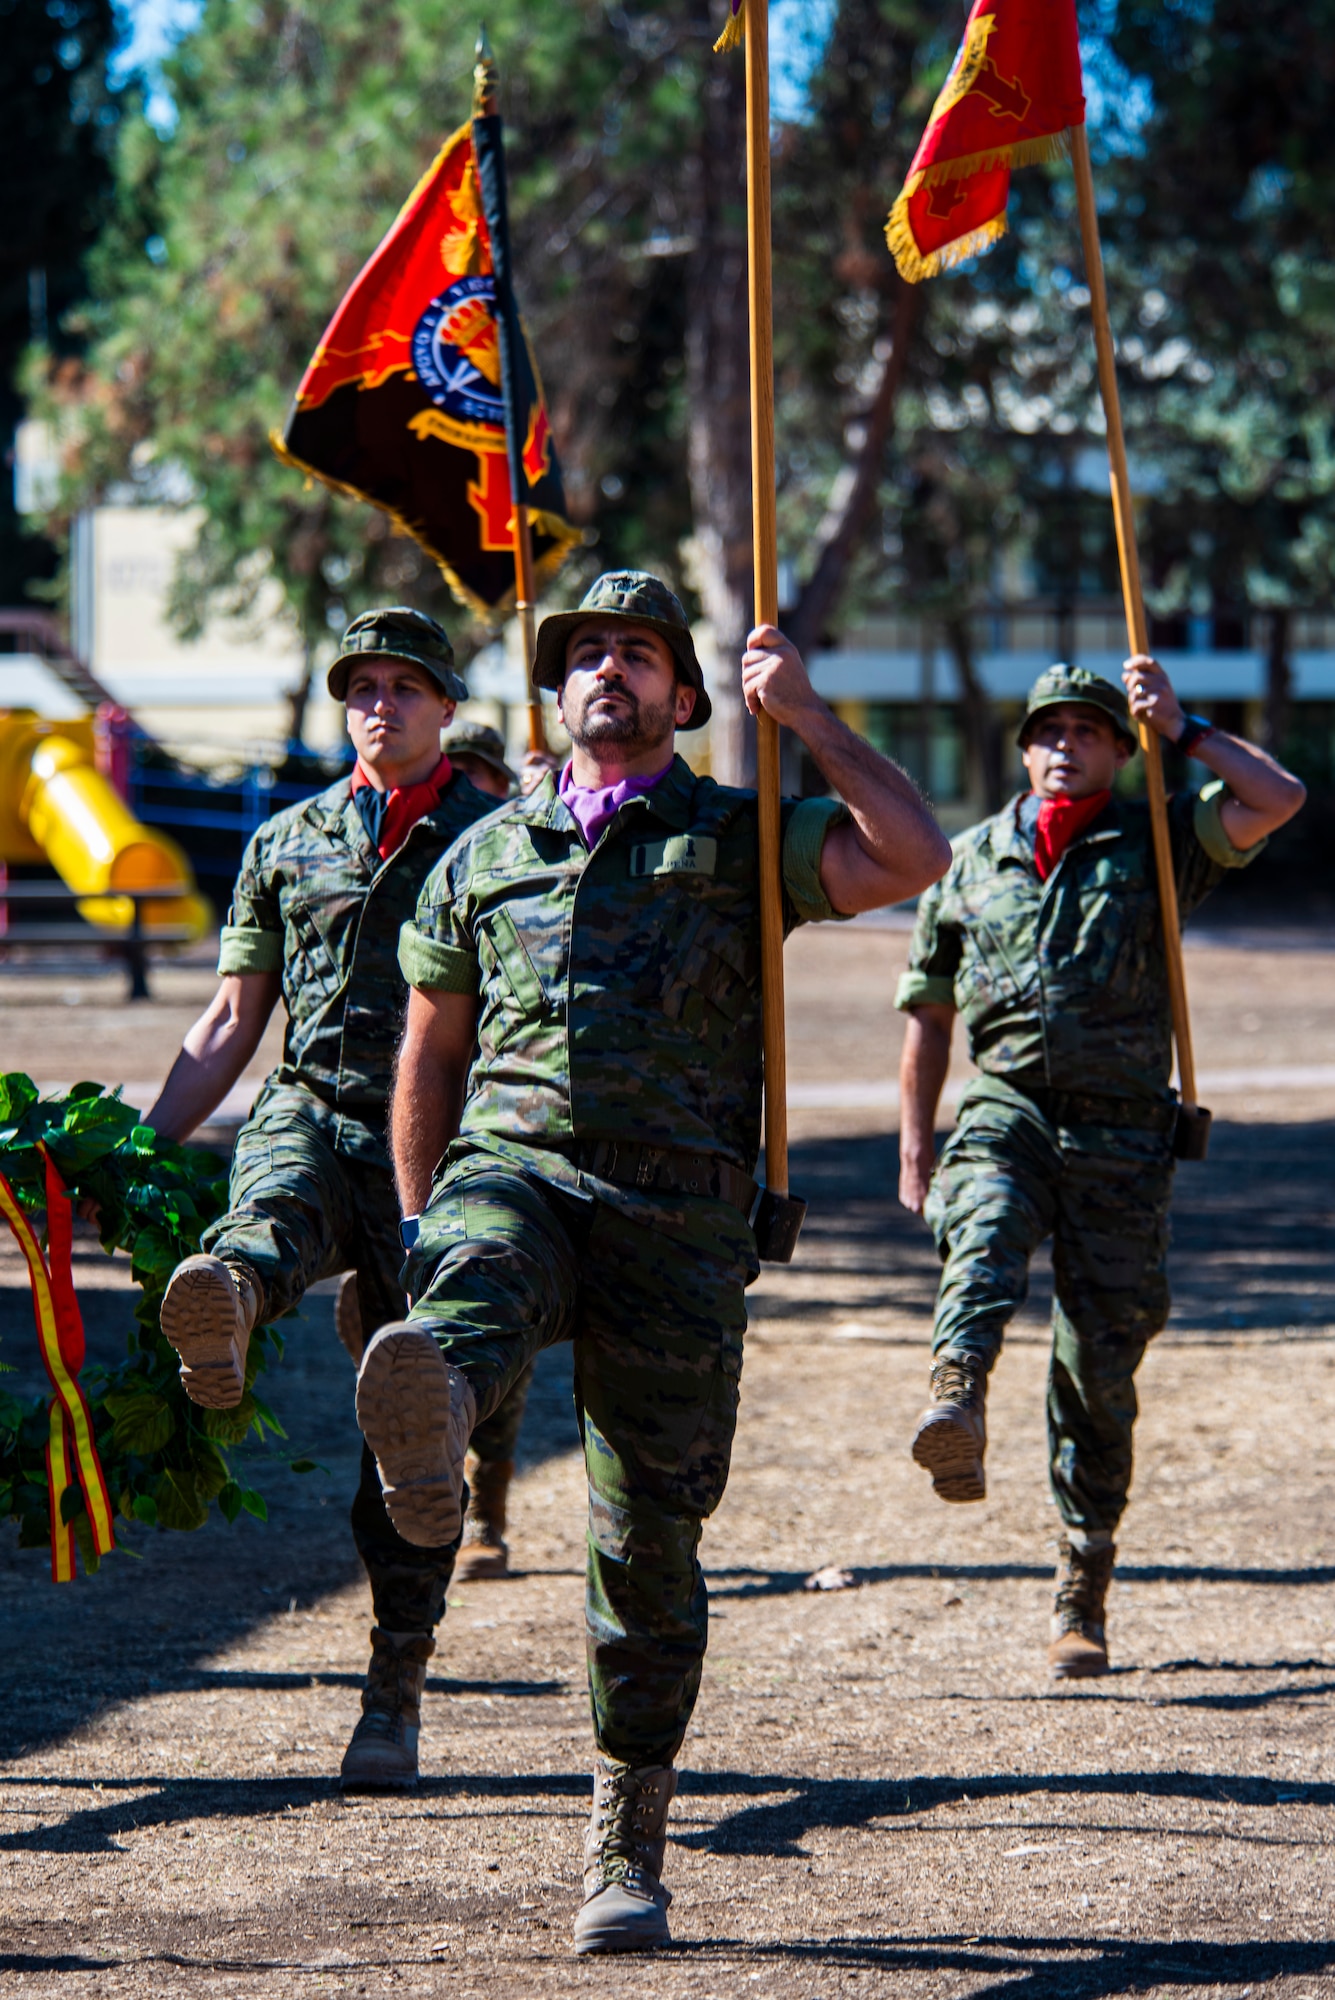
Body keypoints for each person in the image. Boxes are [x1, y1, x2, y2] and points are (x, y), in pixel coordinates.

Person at [354, 569, 951, 1955]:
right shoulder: (483, 853)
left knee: (646, 1542)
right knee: (466, 1292)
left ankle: (625, 1834)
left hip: (677, 1217)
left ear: (684, 696)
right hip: (517, 1170)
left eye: (635, 654)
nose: (604, 673)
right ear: (553, 698)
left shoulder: (743, 838)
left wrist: (805, 718)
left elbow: (911, 852)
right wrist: (414, 1221)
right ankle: (433, 1416)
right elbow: (429, 1053)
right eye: (581, 658)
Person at [150, 607, 517, 1790]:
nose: (380, 702)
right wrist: (146, 1146)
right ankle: (233, 1299)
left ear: (445, 707)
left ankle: (393, 1686)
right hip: (316, 1105)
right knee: (266, 1205)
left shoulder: (501, 837)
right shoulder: (288, 840)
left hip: (444, 1145)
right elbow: (229, 1020)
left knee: (411, 1422)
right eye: (361, 684)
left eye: (405, 684)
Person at [897, 658, 1305, 1679]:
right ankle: (957, 1392)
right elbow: (929, 1010)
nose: (1064, 744)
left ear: (1120, 751)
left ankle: (1082, 1576)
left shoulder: (1164, 840)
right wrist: (915, 1143)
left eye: (1089, 730)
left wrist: (1186, 725)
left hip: (1124, 1133)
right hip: (1009, 1107)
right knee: (983, 1231)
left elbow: (1279, 798)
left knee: (1099, 1364)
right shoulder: (969, 859)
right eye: (1048, 730)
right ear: (1024, 747)